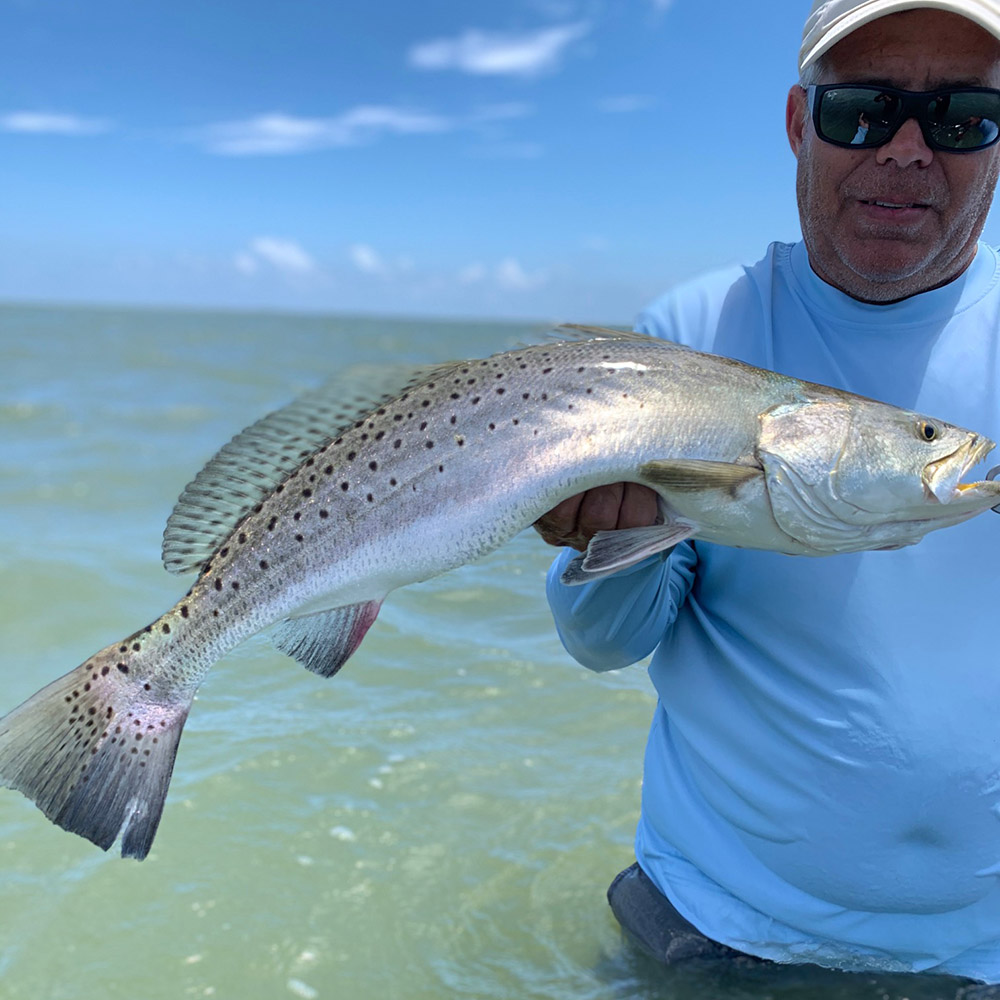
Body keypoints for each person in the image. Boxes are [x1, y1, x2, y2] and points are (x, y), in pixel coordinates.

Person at [536, 0, 1000, 994]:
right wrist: (601, 547)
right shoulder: (692, 334)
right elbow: (603, 642)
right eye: (862, 112)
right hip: (710, 926)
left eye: (961, 116)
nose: (908, 151)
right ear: (800, 123)